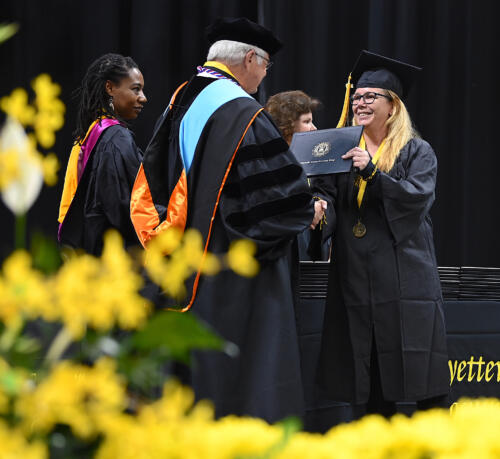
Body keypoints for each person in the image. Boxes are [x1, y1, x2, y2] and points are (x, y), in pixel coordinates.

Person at [130, 17, 326, 423]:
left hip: (186, 260)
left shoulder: (181, 98)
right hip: (231, 271)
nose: (265, 74)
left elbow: (156, 178)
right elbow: (277, 202)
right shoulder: (241, 112)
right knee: (242, 384)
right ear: (250, 58)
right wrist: (308, 209)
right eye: (266, 64)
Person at [312, 50, 449, 418]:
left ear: (393, 106)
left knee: (419, 373)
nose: (360, 102)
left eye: (371, 96)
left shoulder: (416, 150)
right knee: (366, 371)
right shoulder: (342, 148)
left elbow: (417, 198)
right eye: (357, 96)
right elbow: (326, 193)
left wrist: (373, 173)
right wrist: (319, 210)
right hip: (355, 275)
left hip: (404, 274)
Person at [58, 53, 147, 255]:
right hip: (115, 260)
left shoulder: (92, 133)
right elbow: (128, 207)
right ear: (110, 88)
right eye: (136, 89)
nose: (143, 97)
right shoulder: (117, 139)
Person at [265, 90, 331, 261]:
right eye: (307, 122)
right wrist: (307, 211)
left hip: (308, 248)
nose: (314, 128)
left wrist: (319, 204)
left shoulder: (313, 160)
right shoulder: (269, 163)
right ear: (287, 125)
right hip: (282, 252)